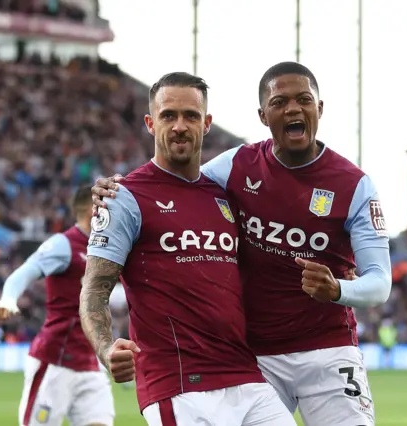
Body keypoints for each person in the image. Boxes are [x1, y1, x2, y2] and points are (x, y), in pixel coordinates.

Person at [91, 62, 391, 426]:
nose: (293, 109)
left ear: (320, 108)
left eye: (303, 100)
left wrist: (337, 288)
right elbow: (174, 179)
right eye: (280, 102)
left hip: (326, 348)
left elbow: (380, 281)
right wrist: (114, 190)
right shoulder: (236, 166)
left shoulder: (355, 185)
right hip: (256, 356)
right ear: (264, 115)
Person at [80, 72, 296, 425]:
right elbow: (94, 288)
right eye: (169, 115)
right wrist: (106, 348)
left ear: (207, 123)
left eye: (191, 116)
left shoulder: (224, 195)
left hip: (245, 377)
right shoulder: (124, 198)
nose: (180, 126)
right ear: (150, 123)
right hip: (178, 385)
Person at [0, 184, 115, 426]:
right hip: (56, 361)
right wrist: (8, 298)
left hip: (91, 363)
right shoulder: (64, 244)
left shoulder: (109, 248)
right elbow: (25, 272)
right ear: (95, 212)